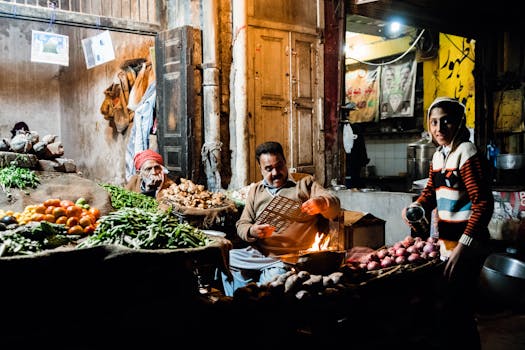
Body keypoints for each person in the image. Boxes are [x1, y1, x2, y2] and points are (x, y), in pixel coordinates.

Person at [401, 97, 494, 349]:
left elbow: (483, 204)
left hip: (467, 247)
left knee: (459, 311)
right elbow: (430, 191)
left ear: (458, 123)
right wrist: (417, 206)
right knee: (448, 310)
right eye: (434, 123)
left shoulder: (466, 152)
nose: (439, 128)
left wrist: (462, 247)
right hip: (448, 245)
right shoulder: (439, 157)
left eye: (446, 121)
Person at [221, 141, 341, 297]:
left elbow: (334, 202)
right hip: (260, 254)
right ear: (261, 169)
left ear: (285, 162)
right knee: (225, 259)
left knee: (270, 286)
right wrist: (252, 231)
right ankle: (242, 299)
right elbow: (242, 224)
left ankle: (254, 298)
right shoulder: (256, 190)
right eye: (269, 169)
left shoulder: (304, 184)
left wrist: (322, 203)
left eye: (279, 166)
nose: (276, 172)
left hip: (289, 257)